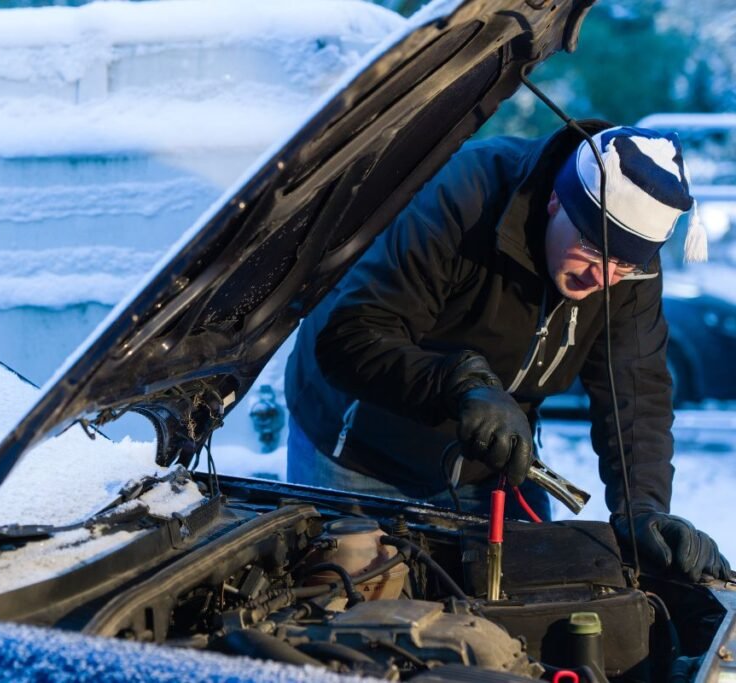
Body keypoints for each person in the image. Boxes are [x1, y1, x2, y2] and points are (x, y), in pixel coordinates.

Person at [284, 121, 731, 582]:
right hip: (361, 449)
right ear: (558, 200)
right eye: (591, 247)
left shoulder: (628, 268)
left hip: (492, 460)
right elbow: (352, 337)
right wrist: (462, 385)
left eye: (626, 264)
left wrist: (643, 508)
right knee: (349, 610)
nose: (602, 275)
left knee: (525, 607)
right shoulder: (466, 193)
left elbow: (637, 394)